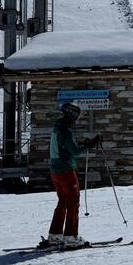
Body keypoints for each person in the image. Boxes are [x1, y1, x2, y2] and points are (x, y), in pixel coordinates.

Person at [42, 102, 101, 249]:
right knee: (73, 202)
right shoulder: (66, 131)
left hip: (55, 170)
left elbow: (67, 147)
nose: (78, 119)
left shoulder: (57, 128)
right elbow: (74, 152)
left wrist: (82, 144)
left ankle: (55, 235)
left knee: (63, 201)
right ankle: (71, 236)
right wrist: (89, 145)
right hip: (66, 170)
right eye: (77, 116)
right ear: (72, 115)